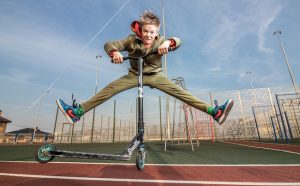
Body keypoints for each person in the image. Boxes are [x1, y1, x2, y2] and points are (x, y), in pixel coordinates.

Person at [56, 10, 234, 126]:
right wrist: (114, 53)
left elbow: (178, 41)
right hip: (134, 75)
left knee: (181, 93)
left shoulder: (161, 40)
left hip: (155, 75)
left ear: (157, 32)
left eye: (152, 32)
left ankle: (214, 112)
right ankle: (76, 112)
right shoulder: (130, 40)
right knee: (108, 90)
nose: (149, 35)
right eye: (146, 31)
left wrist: (168, 42)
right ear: (140, 30)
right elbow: (109, 44)